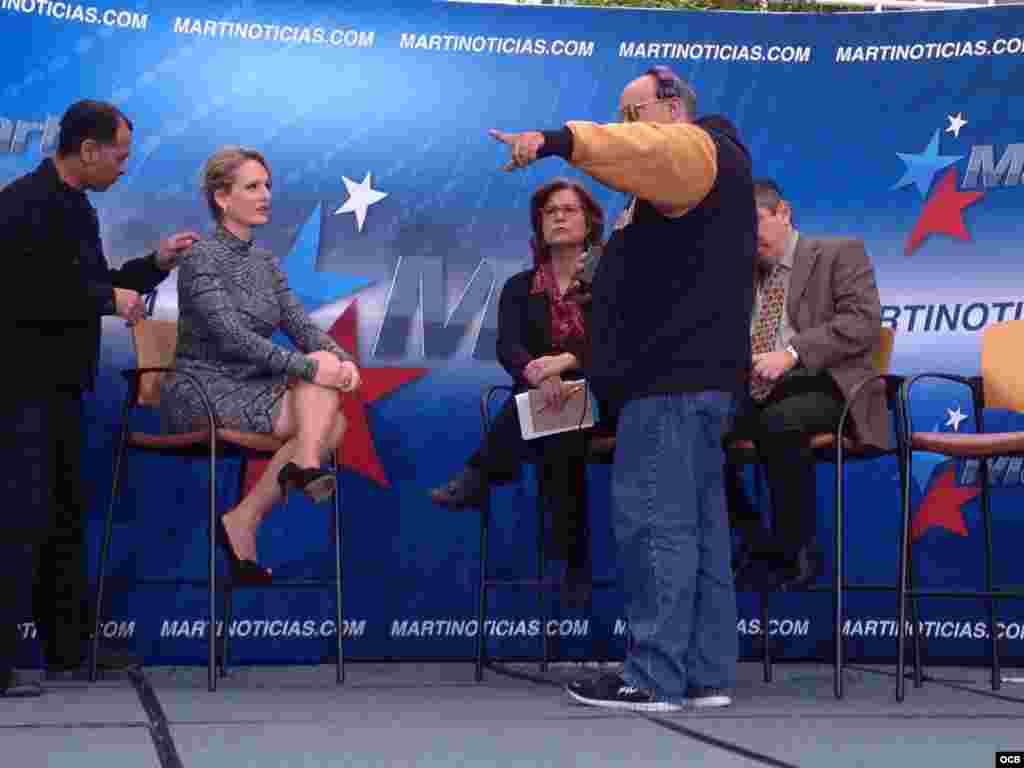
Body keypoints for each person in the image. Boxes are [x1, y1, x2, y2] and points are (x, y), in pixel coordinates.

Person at [490, 66, 755, 711]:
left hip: (670, 383)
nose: (623, 127)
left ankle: (653, 677)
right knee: (697, 533)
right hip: (687, 382)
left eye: (631, 113)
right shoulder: (693, 172)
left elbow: (641, 148)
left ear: (671, 108)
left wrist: (557, 140)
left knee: (657, 530)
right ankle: (704, 674)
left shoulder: (697, 147)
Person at [0, 100, 199, 695]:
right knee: (17, 521)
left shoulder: (77, 209)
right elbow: (26, 296)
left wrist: (154, 266)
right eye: (120, 154)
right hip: (19, 388)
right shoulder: (19, 205)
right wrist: (107, 299)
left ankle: (65, 647)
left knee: (61, 520)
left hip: (62, 388)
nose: (123, 166)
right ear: (87, 150)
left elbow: (92, 283)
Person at [160, 146, 360, 586]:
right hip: (202, 388)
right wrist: (312, 371)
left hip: (255, 385)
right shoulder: (200, 258)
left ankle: (251, 511)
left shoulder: (266, 263)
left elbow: (303, 328)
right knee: (331, 422)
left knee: (324, 367)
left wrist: (343, 363)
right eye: (253, 186)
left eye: (267, 185)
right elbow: (231, 337)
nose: (266, 194)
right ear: (221, 197)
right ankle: (275, 492)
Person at [428, 178, 612, 601]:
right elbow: (508, 345)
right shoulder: (519, 287)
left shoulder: (610, 281)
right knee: (557, 434)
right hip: (545, 403)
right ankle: (572, 566)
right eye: (551, 212)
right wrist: (539, 373)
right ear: (539, 226)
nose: (560, 217)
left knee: (554, 414)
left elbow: (616, 343)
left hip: (604, 397)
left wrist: (565, 365)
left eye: (569, 210)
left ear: (589, 222)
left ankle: (480, 472)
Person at [727, 179, 886, 592]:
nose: (747, 236)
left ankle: (795, 547)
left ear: (784, 212)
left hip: (826, 385)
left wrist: (793, 354)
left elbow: (862, 323)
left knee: (780, 420)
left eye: (755, 222)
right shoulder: (739, 274)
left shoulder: (838, 253)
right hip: (754, 387)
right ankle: (751, 536)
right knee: (696, 422)